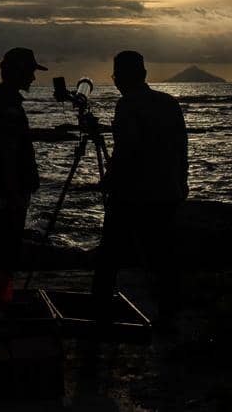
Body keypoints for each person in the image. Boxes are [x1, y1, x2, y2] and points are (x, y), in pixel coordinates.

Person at [91, 50, 189, 328]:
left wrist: (109, 180)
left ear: (118, 77)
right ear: (144, 75)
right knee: (163, 255)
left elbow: (126, 151)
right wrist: (182, 181)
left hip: (133, 194)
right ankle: (170, 312)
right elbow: (183, 148)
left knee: (109, 255)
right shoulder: (169, 103)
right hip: (166, 191)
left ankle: (99, 310)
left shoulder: (127, 106)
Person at [0, 47, 45, 273]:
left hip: (4, 195)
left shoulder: (4, 102)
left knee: (3, 253)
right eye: (30, 71)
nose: (33, 77)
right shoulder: (7, 105)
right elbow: (7, 154)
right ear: (18, 72)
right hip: (6, 197)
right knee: (4, 255)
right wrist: (14, 195)